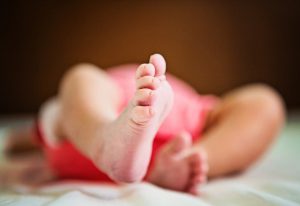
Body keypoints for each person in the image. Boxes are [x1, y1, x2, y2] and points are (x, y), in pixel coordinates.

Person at [35, 54, 285, 194]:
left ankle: (190, 161)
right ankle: (105, 141)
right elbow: (33, 135)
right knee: (82, 77)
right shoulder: (101, 89)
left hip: (192, 131)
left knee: (265, 103)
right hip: (97, 120)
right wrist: (19, 140)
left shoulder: (205, 115)